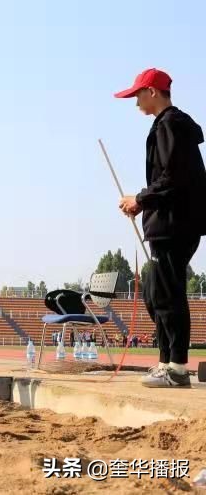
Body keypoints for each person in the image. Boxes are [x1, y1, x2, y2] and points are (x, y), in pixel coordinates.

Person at [115, 68, 206, 388]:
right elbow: (171, 178)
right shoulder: (170, 126)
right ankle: (166, 361)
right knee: (157, 293)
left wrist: (140, 199)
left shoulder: (170, 125)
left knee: (168, 294)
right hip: (169, 222)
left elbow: (173, 179)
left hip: (174, 223)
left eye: (138, 94)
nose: (135, 101)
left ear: (152, 92)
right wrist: (142, 202)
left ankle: (177, 367)